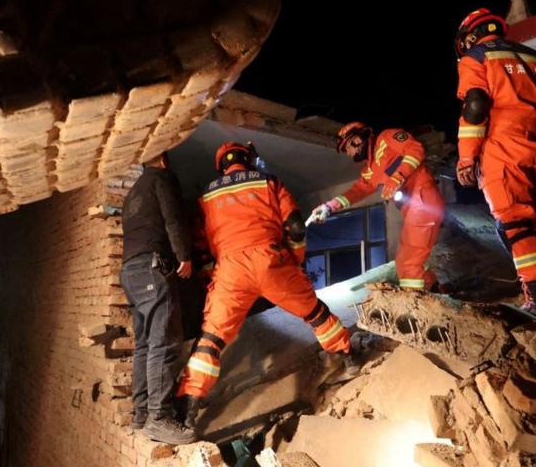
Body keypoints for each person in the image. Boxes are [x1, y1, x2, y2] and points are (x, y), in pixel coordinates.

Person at [177, 142, 357, 431]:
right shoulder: (269, 182)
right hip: (272, 261)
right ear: (248, 159)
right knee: (316, 314)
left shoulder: (206, 196)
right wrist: (294, 261)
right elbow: (296, 226)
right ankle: (349, 360)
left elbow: (200, 248)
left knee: (211, 340)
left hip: (230, 271)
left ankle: (187, 410)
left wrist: (213, 278)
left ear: (221, 164)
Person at [452, 8, 536, 316]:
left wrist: (466, 158)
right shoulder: (535, 58)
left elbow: (475, 106)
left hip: (502, 146)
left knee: (515, 222)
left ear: (470, 35)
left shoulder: (476, 56)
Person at [309, 123, 446, 292]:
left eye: (348, 147)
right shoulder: (370, 170)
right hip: (413, 207)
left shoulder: (387, 138)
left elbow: (415, 149)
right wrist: (329, 206)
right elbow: (358, 190)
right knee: (403, 262)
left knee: (410, 264)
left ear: (358, 138)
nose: (349, 153)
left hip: (423, 199)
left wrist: (397, 177)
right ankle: (436, 292)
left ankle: (416, 308)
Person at [119, 152, 196, 444]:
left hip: (129, 273)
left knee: (144, 345)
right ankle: (159, 419)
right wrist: (184, 257)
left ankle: (140, 415)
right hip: (152, 269)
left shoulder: (133, 192)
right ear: (163, 159)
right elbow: (173, 219)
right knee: (163, 344)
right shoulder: (161, 179)